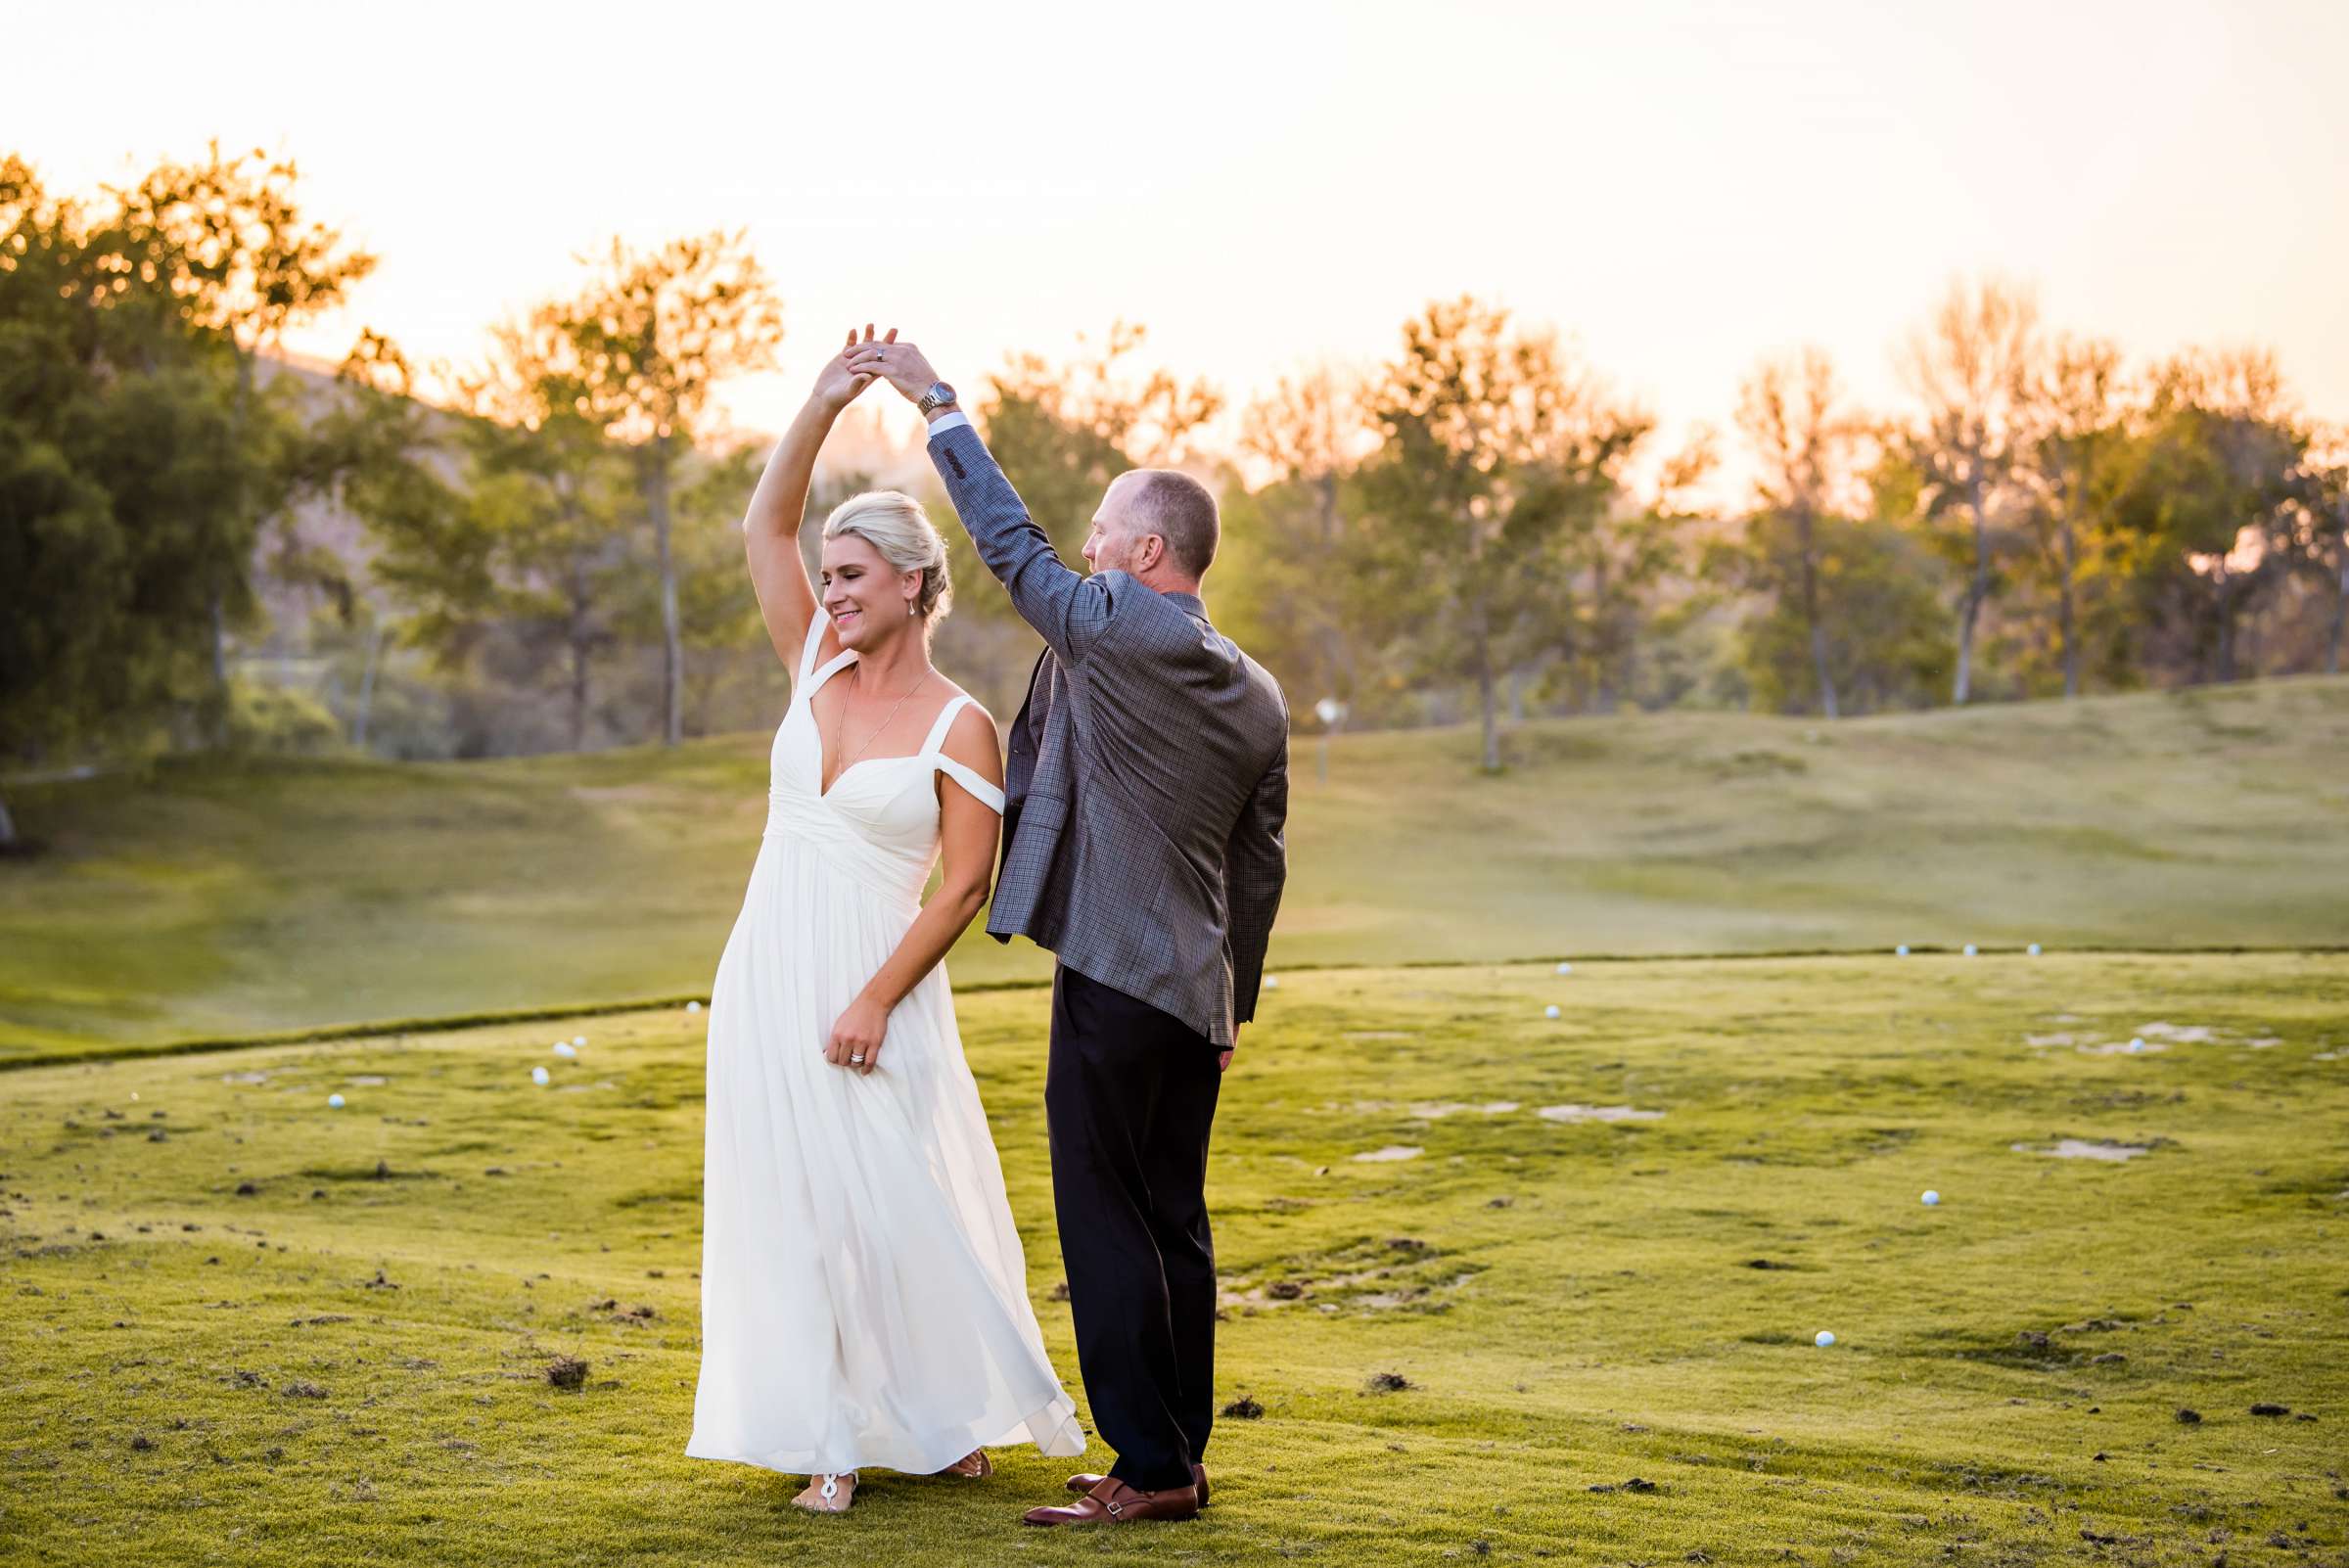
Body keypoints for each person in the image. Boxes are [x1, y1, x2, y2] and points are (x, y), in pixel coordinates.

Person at [850, 331, 1291, 1528]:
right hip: (1191, 997)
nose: (1085, 550)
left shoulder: (1119, 623)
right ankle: (1176, 1458)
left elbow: (1009, 548)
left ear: (1147, 551)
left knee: (1104, 1220)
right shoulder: (1254, 686)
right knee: (1172, 1224)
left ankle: (1144, 1470)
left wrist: (939, 405)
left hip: (1112, 975)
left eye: (1103, 534)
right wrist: (1232, 1006)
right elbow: (1260, 867)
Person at [686, 328, 1082, 1513]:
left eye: (854, 576)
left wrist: (871, 997)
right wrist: (820, 404)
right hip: (766, 967)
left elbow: (963, 887)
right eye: (831, 576)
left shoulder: (961, 727)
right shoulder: (811, 662)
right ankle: (829, 1435)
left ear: (913, 583)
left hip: (876, 979)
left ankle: (950, 1415)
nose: (834, 594)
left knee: (895, 1202)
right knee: (793, 1202)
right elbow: (763, 529)